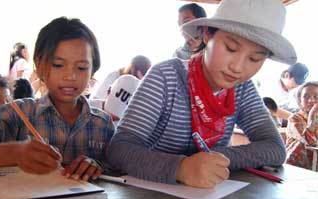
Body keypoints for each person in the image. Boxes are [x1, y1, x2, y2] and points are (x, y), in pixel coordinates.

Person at [107, 0, 297, 188]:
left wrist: (215, 161)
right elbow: (120, 149)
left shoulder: (242, 89)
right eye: (230, 48)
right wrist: (181, 168)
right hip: (148, 198)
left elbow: (275, 148)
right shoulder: (166, 77)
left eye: (255, 58)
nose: (237, 67)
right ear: (207, 34)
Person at [0, 17, 115, 180]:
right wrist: (13, 153)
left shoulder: (103, 124)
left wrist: (97, 166)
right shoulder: (13, 115)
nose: (71, 76)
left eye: (81, 67)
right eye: (58, 65)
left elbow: (117, 169)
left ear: (92, 70)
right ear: (39, 65)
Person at [286, 81, 318, 171]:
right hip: (295, 169)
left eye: (316, 96)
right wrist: (311, 117)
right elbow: (308, 141)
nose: (311, 100)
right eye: (306, 96)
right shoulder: (294, 119)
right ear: (300, 101)